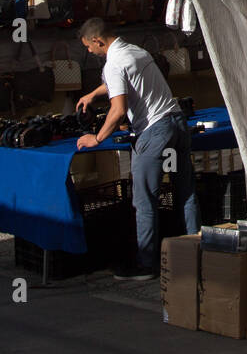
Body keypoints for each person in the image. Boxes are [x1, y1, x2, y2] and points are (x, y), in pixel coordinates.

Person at [76, 18, 199, 279]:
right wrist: (94, 94)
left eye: (88, 46)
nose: (89, 51)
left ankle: (146, 264)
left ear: (98, 41)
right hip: (176, 123)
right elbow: (120, 82)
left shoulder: (113, 64)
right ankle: (198, 250)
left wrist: (96, 138)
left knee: (144, 200)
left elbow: (118, 110)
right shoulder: (136, 51)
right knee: (185, 191)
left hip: (155, 132)